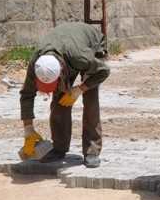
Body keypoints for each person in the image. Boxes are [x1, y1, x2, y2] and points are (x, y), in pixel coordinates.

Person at [19, 22, 111, 166]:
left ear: (61, 71)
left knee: (90, 98)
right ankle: (59, 148)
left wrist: (80, 89)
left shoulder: (81, 57)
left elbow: (104, 71)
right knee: (59, 99)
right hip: (66, 46)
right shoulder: (36, 64)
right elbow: (26, 94)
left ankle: (92, 150)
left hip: (91, 43)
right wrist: (28, 128)